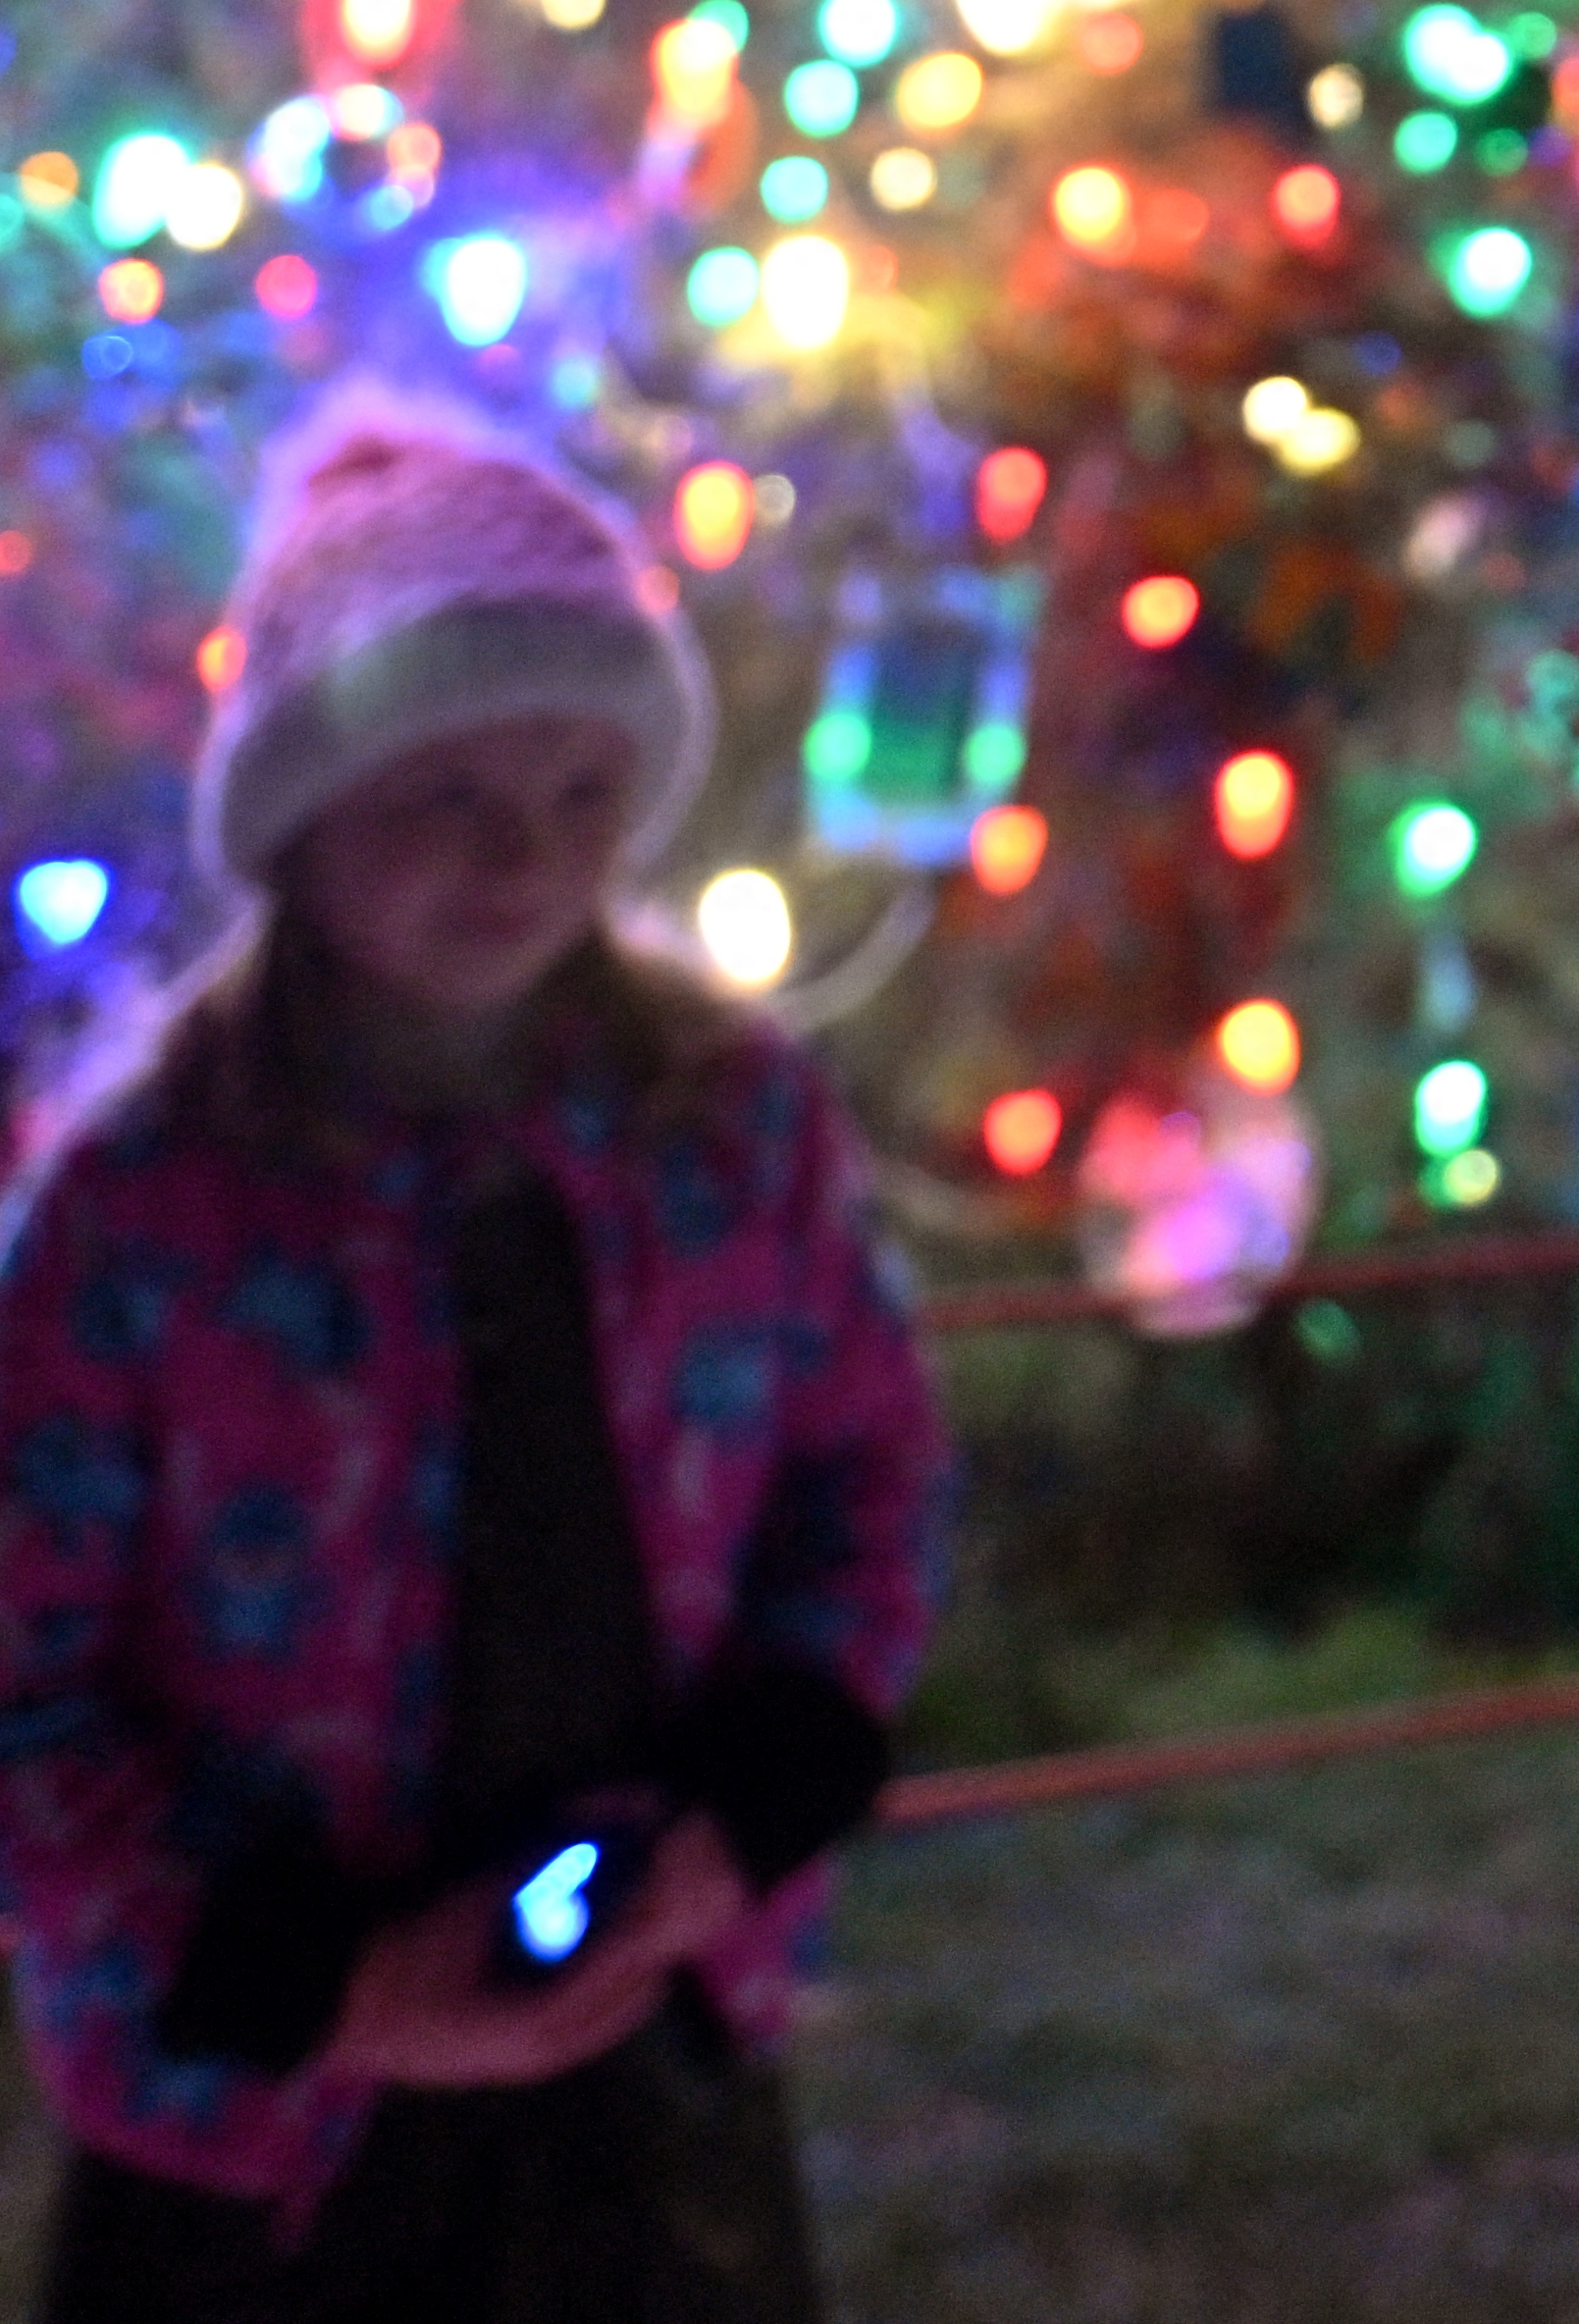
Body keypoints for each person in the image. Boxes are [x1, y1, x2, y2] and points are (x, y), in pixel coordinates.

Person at [0, 399, 949, 2320]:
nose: (526, 857)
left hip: (642, 2056)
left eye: (582, 792)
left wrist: (743, 1807)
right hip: (270, 2124)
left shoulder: (728, 1126)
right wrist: (316, 1981)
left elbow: (870, 1472)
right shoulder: (149, 1210)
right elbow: (25, 1675)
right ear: (306, 808)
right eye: (451, 794)